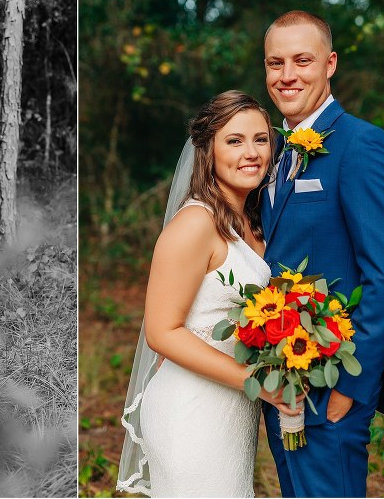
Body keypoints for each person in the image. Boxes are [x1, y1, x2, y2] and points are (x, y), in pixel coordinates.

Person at [260, 10, 384, 497]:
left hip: (330, 386)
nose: (287, 75)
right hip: (280, 381)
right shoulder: (269, 151)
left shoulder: (361, 145)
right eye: (275, 63)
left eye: (302, 61)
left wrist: (351, 384)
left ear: (330, 64)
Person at [117, 91, 304, 497]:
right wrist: (257, 381)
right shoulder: (195, 224)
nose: (251, 152)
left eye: (260, 139)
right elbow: (162, 332)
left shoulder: (252, 221)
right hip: (191, 409)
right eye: (234, 141)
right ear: (208, 152)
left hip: (233, 407)